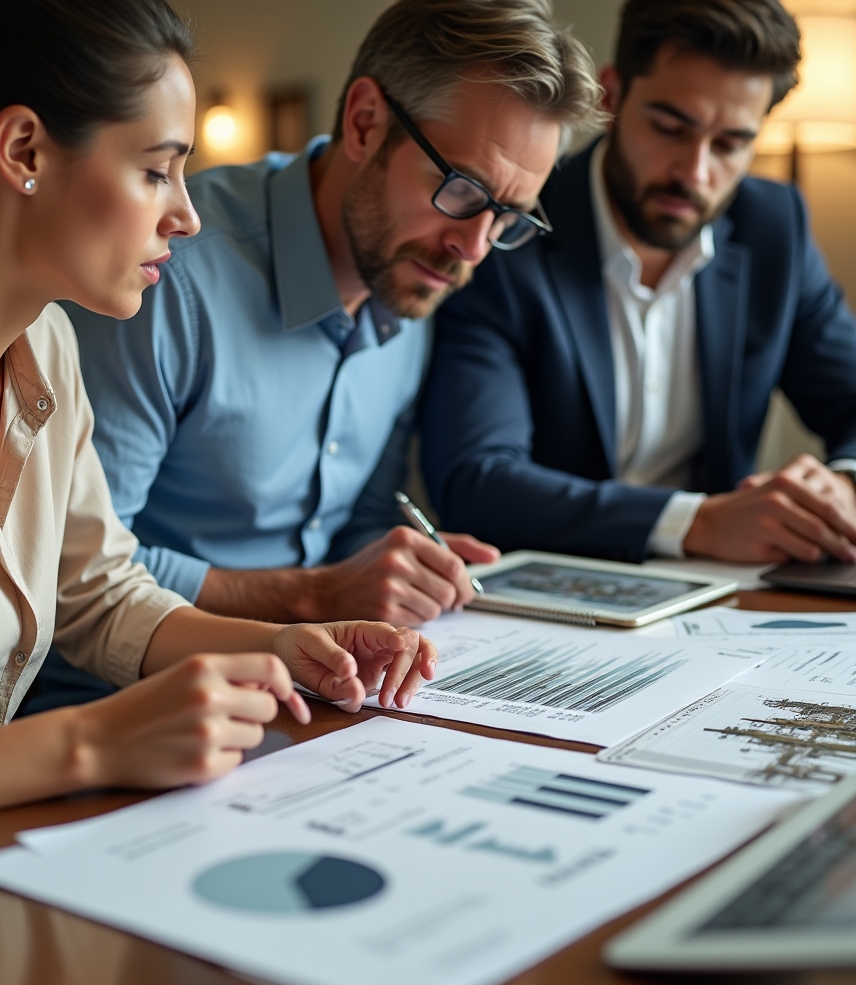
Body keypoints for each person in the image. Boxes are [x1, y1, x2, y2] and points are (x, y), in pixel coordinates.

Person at [0, 1, 436, 985]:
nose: (183, 212)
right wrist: (93, 743)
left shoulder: (43, 346)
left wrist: (289, 641)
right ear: (23, 151)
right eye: (154, 169)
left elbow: (97, 591)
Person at [38, 0, 603, 716]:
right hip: (116, 710)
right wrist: (316, 594)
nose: (474, 248)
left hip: (305, 701)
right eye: (462, 190)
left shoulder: (412, 284)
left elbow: (359, 521)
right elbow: (72, 570)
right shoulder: (167, 280)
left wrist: (397, 567)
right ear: (365, 122)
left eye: (510, 216)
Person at [421, 0, 856, 567]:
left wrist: (849, 488)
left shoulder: (775, 228)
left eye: (730, 144)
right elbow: (476, 481)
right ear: (611, 95)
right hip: (553, 596)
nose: (695, 172)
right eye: (671, 128)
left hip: (729, 600)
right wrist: (696, 522)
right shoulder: (507, 231)